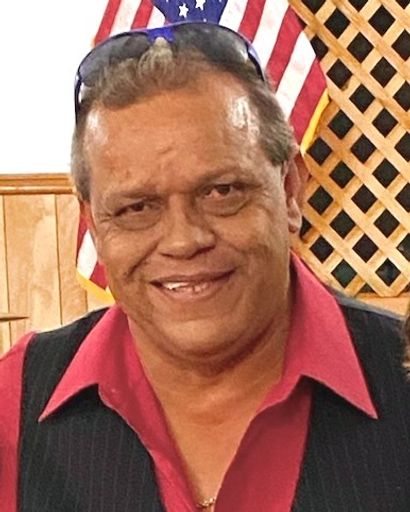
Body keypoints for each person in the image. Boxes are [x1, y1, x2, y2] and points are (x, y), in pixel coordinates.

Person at [0, 21, 409, 512]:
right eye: (137, 207)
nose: (184, 239)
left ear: (289, 191)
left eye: (222, 192)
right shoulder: (14, 400)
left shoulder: (401, 379)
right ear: (93, 224)